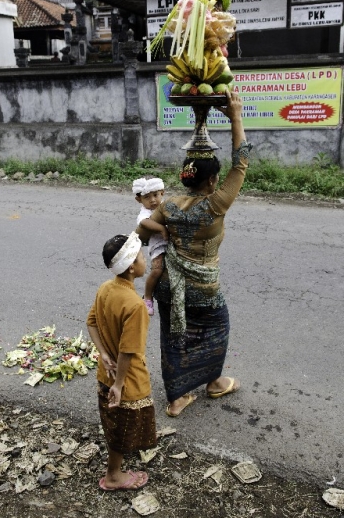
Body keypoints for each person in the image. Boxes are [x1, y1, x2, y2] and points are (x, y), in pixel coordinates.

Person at [137, 90, 251, 417]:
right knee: (216, 328)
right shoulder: (216, 204)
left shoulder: (169, 205)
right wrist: (236, 117)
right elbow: (241, 161)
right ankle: (213, 383)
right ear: (213, 179)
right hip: (204, 289)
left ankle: (176, 399)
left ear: (186, 176)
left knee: (174, 336)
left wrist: (161, 230)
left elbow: (140, 232)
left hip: (169, 286)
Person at [86, 232, 157, 491]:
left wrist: (103, 354)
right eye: (140, 256)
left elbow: (91, 323)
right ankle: (114, 476)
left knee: (113, 424)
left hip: (105, 374)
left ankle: (115, 469)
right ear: (130, 267)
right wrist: (118, 385)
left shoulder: (106, 288)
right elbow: (128, 352)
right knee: (123, 428)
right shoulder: (135, 306)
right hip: (127, 380)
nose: (144, 259)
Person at [132, 177, 169, 316]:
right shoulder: (145, 212)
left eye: (155, 195)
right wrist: (162, 229)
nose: (152, 200)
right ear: (139, 200)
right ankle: (147, 297)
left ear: (162, 193)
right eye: (147, 197)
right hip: (158, 245)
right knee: (157, 270)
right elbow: (144, 223)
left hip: (173, 243)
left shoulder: (166, 205)